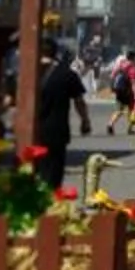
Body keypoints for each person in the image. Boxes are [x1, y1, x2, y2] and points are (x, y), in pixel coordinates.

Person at [32, 39, 93, 192]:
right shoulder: (66, 74)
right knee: (53, 175)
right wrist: (85, 121)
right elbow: (79, 101)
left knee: (31, 171)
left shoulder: (28, 72)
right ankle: (50, 207)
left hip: (31, 131)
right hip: (56, 132)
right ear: (56, 53)